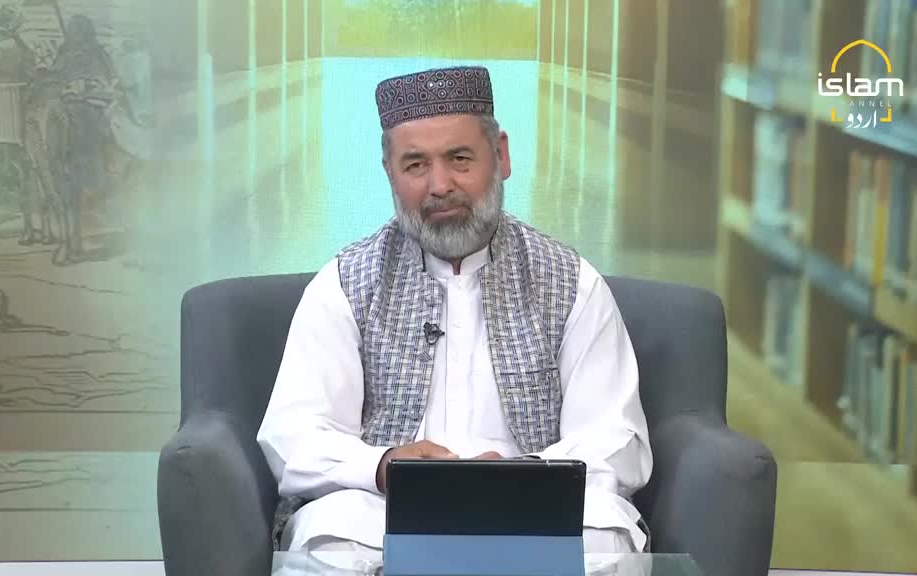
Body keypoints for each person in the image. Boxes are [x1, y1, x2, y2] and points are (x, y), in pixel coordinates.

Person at [257, 65, 653, 560]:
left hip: (530, 508)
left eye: (460, 158)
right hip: (384, 507)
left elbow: (616, 437)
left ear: (501, 156)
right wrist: (383, 465)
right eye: (416, 165)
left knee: (605, 534)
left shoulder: (571, 282)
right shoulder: (344, 285)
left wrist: (528, 472)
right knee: (329, 535)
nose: (439, 185)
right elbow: (294, 435)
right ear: (390, 174)